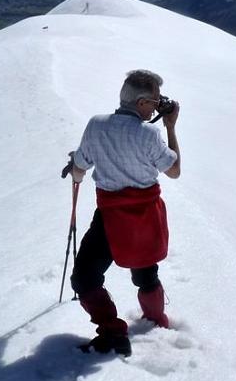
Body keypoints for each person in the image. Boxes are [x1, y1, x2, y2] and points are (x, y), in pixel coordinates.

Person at [68, 69, 181, 356]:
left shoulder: (96, 126)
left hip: (110, 217)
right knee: (145, 273)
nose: (158, 105)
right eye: (155, 101)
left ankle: (112, 330)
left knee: (85, 277)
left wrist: (76, 174)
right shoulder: (150, 134)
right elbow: (175, 170)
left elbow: (80, 167)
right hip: (145, 217)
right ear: (142, 103)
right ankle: (156, 321)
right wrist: (170, 126)